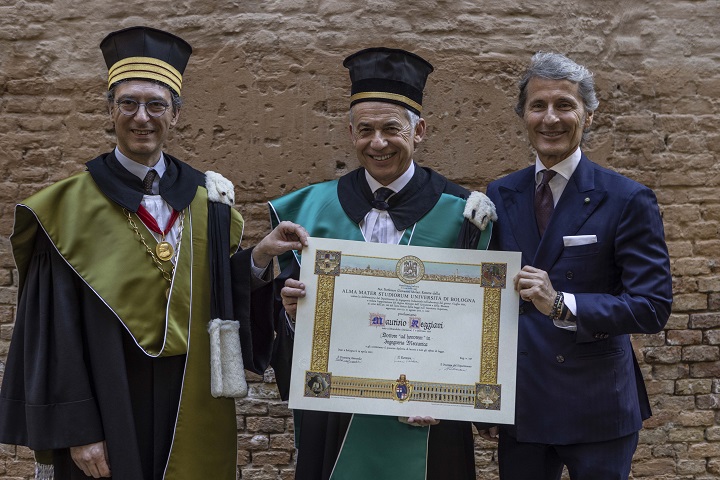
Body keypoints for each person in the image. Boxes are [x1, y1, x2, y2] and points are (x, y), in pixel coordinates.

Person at [0, 26, 307, 480]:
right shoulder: (65, 209)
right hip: (107, 399)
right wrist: (78, 430)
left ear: (176, 116)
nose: (142, 117)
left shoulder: (210, 201)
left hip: (189, 394)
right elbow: (54, 331)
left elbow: (217, 296)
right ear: (110, 111)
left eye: (156, 104)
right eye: (128, 103)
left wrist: (259, 257)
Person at [267, 47, 497, 480]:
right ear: (349, 131)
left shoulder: (464, 214)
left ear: (420, 131)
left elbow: (474, 324)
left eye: (392, 128)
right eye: (365, 130)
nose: (378, 143)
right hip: (339, 410)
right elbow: (288, 333)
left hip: (429, 414)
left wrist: (448, 395)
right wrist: (293, 314)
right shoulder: (310, 210)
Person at [485, 52, 672, 479]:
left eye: (564, 105)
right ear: (523, 116)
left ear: (587, 116)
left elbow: (652, 306)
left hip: (598, 408)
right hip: (524, 406)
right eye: (538, 106)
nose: (550, 118)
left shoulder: (626, 198)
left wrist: (561, 304)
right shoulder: (500, 194)